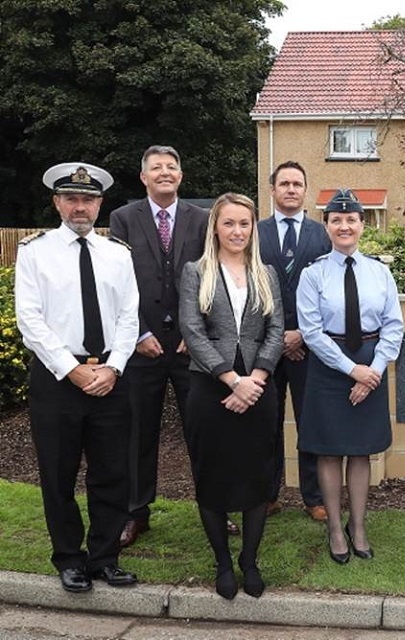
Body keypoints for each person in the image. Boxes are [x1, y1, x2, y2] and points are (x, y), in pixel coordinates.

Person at [16, 162, 140, 592]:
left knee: (112, 473)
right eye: (71, 198)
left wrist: (115, 366)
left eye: (88, 199)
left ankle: (105, 558)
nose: (80, 206)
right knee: (58, 472)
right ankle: (69, 558)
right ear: (57, 202)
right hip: (57, 378)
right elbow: (29, 319)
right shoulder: (35, 251)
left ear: (100, 204)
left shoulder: (118, 253)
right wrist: (71, 370)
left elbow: (129, 316)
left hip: (110, 374)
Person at [179, 193, 284, 599]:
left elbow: (277, 329)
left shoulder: (267, 273)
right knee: (213, 476)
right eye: (229, 223)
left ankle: (249, 561)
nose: (237, 231)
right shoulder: (196, 271)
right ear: (216, 228)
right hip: (210, 388)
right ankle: (223, 563)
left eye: (244, 223)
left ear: (252, 228)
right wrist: (230, 379)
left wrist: (254, 378)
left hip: (260, 387)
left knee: (257, 475)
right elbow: (192, 329)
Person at [109, 145, 210, 547]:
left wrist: (195, 331)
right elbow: (118, 281)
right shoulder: (122, 218)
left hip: (190, 346)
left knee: (202, 431)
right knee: (138, 434)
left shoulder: (201, 220)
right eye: (156, 167)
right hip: (142, 345)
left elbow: (210, 278)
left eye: (171, 166)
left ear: (180, 176)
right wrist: (139, 334)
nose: (164, 172)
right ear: (144, 177)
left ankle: (213, 508)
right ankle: (136, 513)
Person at [297, 189, 403, 564]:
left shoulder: (380, 272)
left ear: (362, 225)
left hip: (370, 360)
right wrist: (350, 369)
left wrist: (371, 371)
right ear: (326, 226)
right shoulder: (313, 274)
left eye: (351, 219)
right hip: (330, 365)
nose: (344, 226)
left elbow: (394, 326)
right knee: (328, 451)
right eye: (336, 220)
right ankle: (335, 529)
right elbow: (311, 332)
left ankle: (358, 527)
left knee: (360, 452)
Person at [258, 161, 332, 521]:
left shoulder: (322, 235)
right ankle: (267, 494)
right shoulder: (255, 233)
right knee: (266, 423)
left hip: (308, 346)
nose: (290, 189)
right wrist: (277, 335)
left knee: (311, 421)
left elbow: (327, 291)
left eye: (297, 183)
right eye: (283, 183)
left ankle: (313, 497)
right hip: (265, 347)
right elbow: (249, 290)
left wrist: (303, 331)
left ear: (305, 190)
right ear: (272, 189)